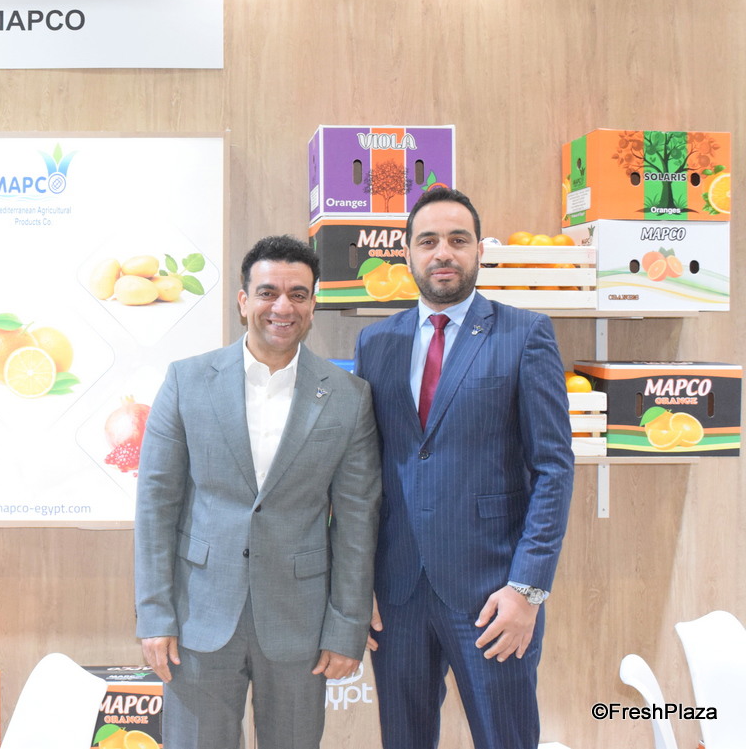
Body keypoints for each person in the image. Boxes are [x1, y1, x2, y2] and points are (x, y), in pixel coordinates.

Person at [134, 234, 381, 749]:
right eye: (268, 292)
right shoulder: (186, 381)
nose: (282, 307)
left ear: (313, 303)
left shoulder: (348, 397)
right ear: (243, 300)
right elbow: (156, 505)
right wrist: (154, 614)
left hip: (300, 622)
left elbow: (357, 521)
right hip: (198, 618)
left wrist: (346, 626)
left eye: (298, 294)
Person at [354, 187, 574, 749]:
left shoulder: (525, 333)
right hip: (396, 595)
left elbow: (553, 468)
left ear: (479, 250)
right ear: (407, 253)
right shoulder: (375, 342)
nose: (443, 253)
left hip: (493, 596)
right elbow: (361, 473)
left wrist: (527, 589)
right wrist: (357, 582)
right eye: (428, 241)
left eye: (458, 240)